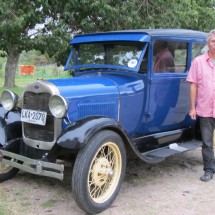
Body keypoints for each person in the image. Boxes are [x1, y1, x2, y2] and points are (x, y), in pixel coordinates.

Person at [186, 29, 215, 182]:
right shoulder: (198, 62)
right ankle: (209, 170)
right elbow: (193, 85)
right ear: (207, 43)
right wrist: (192, 107)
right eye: (213, 41)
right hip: (205, 109)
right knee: (207, 142)